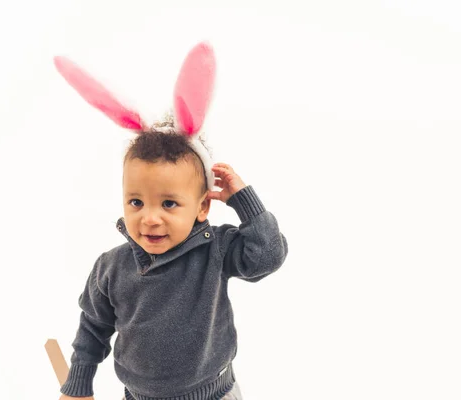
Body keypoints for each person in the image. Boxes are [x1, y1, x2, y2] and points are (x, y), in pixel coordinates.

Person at [57, 126, 288, 400]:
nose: (150, 218)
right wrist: (78, 386)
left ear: (202, 207)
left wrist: (245, 202)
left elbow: (267, 256)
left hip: (214, 395)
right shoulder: (111, 267)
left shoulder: (215, 248)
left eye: (168, 203)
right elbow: (93, 328)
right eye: (136, 202)